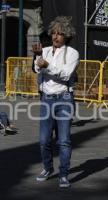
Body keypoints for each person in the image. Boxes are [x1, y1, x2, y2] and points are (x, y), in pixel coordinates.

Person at [32, 16, 79, 188]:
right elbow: (37, 68)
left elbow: (66, 74)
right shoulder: (44, 50)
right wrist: (37, 58)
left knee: (64, 140)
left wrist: (46, 66)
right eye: (54, 33)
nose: (56, 36)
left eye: (60, 34)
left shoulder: (73, 53)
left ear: (66, 36)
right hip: (46, 98)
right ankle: (47, 168)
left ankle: (64, 174)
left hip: (64, 99)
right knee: (44, 140)